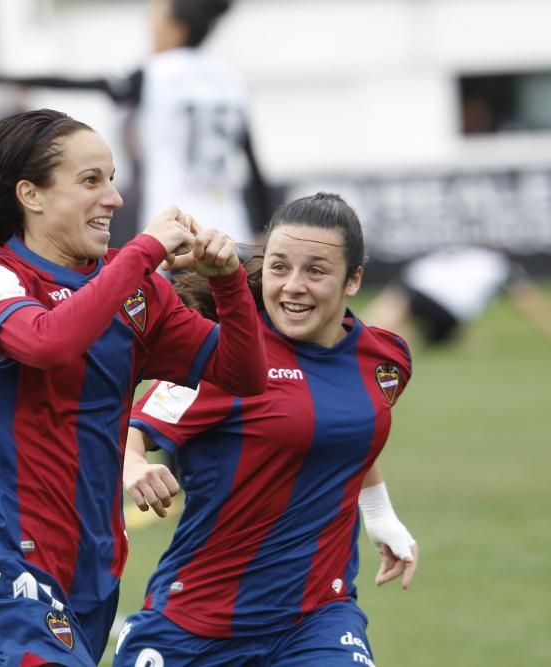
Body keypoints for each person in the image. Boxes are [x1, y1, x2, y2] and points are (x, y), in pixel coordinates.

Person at [0, 108, 268, 666]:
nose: (114, 199)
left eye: (113, 179)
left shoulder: (139, 290)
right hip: (4, 564)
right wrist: (145, 252)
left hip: (93, 571)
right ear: (32, 194)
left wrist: (227, 288)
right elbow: (51, 342)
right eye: (91, 180)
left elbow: (241, 374)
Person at [116, 193, 418, 666]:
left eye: (315, 271)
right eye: (280, 268)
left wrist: (380, 514)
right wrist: (133, 463)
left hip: (318, 618)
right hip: (196, 624)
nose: (293, 286)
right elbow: (133, 426)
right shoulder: (226, 359)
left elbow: (352, 431)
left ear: (353, 279)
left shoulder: (386, 360)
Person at [0, 0, 268, 246]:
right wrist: (261, 227)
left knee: (171, 319)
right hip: (229, 219)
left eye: (155, 21)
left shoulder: (156, 74)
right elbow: (252, 163)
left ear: (176, 29)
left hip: (171, 216)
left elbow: (77, 82)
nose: (150, 28)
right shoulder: (231, 80)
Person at [364, 245, 551, 347]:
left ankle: (361, 337)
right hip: (452, 313)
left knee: (388, 315)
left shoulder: (472, 257)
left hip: (423, 288)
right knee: (435, 337)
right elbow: (528, 302)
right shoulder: (498, 264)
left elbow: (395, 293)